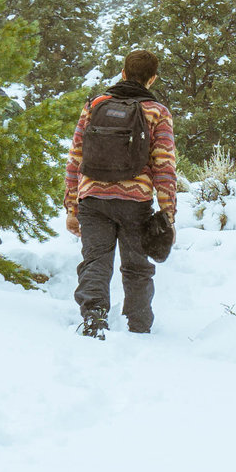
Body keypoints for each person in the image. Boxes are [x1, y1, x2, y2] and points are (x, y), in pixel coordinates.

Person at [64, 49, 177, 337]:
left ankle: (94, 316)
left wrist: (71, 206)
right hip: (135, 202)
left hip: (92, 199)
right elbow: (164, 166)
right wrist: (167, 214)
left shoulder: (95, 104)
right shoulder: (158, 113)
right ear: (152, 78)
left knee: (95, 261)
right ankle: (139, 328)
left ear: (123, 73)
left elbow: (76, 156)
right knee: (137, 266)